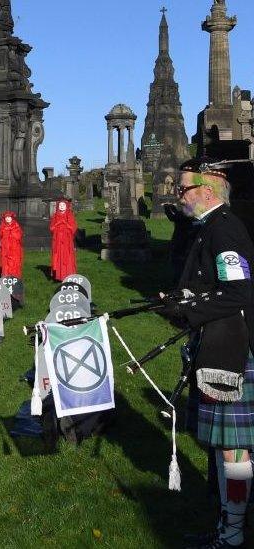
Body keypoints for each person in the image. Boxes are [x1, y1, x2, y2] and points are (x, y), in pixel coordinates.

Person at [162, 158, 254, 549]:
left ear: (207, 192)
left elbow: (237, 293)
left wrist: (187, 310)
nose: (178, 197)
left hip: (231, 350)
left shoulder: (225, 230)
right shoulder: (208, 228)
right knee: (222, 447)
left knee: (233, 449)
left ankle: (232, 537)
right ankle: (226, 528)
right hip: (217, 342)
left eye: (183, 190)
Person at [49, 199, 77, 281]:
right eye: (60, 205)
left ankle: (67, 274)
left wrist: (65, 224)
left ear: (66, 206)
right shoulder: (55, 215)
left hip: (66, 240)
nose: (61, 206)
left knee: (67, 256)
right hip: (57, 240)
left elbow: (73, 228)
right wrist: (57, 224)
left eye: (63, 205)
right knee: (57, 256)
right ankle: (59, 275)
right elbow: (51, 228)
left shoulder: (69, 215)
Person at [0, 210, 23, 278]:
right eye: (6, 217)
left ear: (12, 218)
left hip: (14, 249)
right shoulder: (2, 227)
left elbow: (19, 236)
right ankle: (6, 277)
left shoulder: (16, 226)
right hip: (5, 249)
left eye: (9, 217)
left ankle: (14, 276)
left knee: (14, 262)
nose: (7, 218)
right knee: (5, 263)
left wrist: (11, 232)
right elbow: (0, 236)